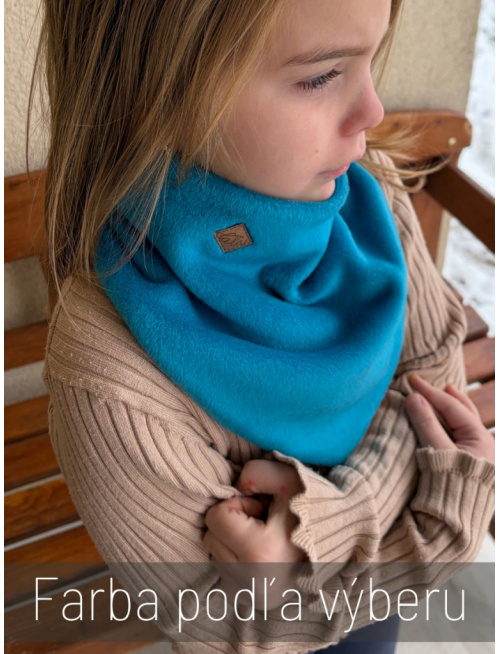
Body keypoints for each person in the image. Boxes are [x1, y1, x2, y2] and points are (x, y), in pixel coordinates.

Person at [32, 0, 494, 652]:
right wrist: (441, 522)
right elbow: (233, 629)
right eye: (321, 75)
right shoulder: (110, 374)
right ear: (158, 88)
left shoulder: (370, 195)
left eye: (371, 57)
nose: (373, 113)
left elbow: (432, 375)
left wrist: (325, 530)